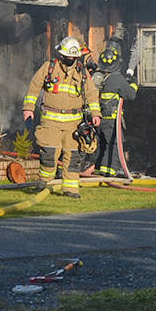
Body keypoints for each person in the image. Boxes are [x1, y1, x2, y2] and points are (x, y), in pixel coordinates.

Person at [22, 36, 100, 198]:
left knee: (73, 156)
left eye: (74, 57)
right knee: (49, 153)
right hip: (50, 121)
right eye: (68, 57)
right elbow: (34, 87)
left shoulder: (82, 72)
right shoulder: (49, 67)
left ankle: (71, 189)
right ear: (62, 54)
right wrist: (28, 109)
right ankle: (44, 180)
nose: (71, 60)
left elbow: (92, 94)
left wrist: (95, 114)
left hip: (74, 123)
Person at [93, 34, 138, 178]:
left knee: (102, 144)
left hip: (98, 119)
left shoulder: (97, 76)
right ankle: (111, 171)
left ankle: (101, 169)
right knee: (114, 144)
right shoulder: (117, 78)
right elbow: (130, 95)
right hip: (112, 120)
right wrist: (133, 83)